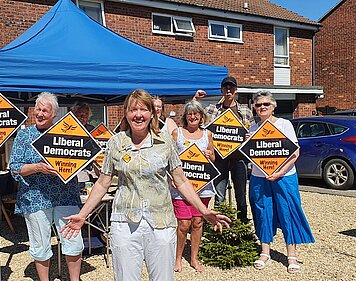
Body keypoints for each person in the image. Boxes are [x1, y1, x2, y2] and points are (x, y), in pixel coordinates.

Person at [60, 89, 230, 281]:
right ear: (126, 113)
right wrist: (83, 215)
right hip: (124, 222)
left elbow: (181, 181)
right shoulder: (115, 143)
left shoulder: (165, 141)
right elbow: (102, 183)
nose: (138, 115)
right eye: (133, 110)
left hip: (161, 223)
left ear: (152, 113)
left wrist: (203, 210)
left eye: (143, 109)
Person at [9, 92, 83, 281]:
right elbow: (14, 168)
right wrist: (37, 168)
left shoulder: (65, 133)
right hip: (35, 198)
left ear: (54, 115)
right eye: (38, 109)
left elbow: (81, 159)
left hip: (65, 195)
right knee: (40, 244)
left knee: (73, 241)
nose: (40, 113)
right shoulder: (24, 135)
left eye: (45, 110)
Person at [248, 90, 314, 273]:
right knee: (262, 212)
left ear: (273, 106)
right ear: (254, 108)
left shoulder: (285, 124)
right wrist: (248, 144)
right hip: (259, 177)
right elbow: (251, 154)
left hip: (284, 177)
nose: (262, 107)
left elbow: (295, 153)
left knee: (288, 212)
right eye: (259, 104)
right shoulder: (252, 128)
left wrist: (279, 172)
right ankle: (265, 252)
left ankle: (291, 255)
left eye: (266, 104)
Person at [193, 76, 254, 222]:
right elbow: (195, 118)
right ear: (221, 90)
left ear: (236, 90)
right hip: (219, 159)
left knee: (241, 195)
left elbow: (252, 135)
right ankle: (220, 227)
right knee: (219, 196)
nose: (228, 90)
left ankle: (242, 226)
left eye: (231, 87)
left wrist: (248, 138)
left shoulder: (245, 111)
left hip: (239, 159)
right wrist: (195, 100)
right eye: (226, 87)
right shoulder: (211, 109)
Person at [170, 100, 215, 273]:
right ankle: (178, 258)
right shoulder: (177, 133)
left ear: (201, 116)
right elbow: (168, 158)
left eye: (196, 113)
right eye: (190, 113)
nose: (193, 116)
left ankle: (194, 258)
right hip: (181, 187)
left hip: (202, 186)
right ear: (185, 116)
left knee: (197, 222)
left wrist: (210, 155)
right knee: (183, 223)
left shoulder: (207, 134)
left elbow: (213, 159)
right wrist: (171, 178)